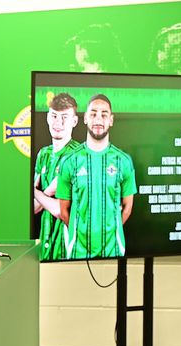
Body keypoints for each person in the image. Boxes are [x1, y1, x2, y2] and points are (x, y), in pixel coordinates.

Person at [57, 94, 136, 259]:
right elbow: (64, 211)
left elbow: (127, 208)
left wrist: (111, 229)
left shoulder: (123, 161)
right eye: (93, 114)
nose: (98, 119)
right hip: (78, 251)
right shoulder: (69, 161)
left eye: (104, 114)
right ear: (85, 118)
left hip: (113, 249)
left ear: (111, 120)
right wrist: (79, 231)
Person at [33, 92, 82, 261]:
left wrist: (35, 191)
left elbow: (62, 211)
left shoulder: (79, 155)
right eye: (54, 116)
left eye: (65, 117)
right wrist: (47, 191)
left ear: (74, 121)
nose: (58, 123)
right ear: (47, 117)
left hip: (69, 250)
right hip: (44, 247)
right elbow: (33, 208)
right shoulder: (43, 154)